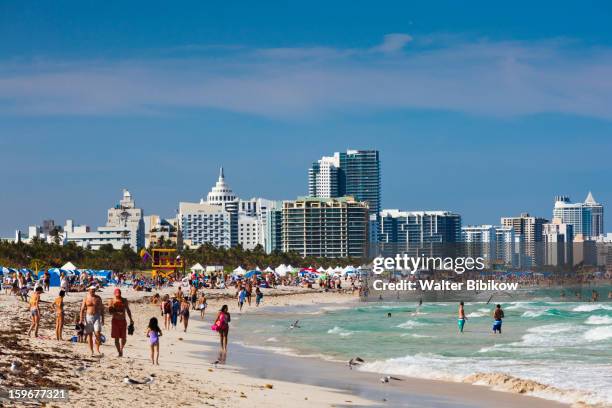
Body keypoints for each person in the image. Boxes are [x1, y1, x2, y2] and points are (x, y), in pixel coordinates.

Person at [108, 288, 133, 357]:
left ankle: (121, 348)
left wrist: (131, 319)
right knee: (116, 338)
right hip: (115, 321)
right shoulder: (112, 300)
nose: (118, 296)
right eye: (117, 295)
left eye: (119, 295)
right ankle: (119, 351)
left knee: (124, 338)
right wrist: (112, 308)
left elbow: (128, 310)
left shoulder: (124, 300)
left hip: (123, 320)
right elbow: (110, 312)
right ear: (114, 294)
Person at [80, 285, 104, 356]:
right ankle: (91, 351)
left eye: (94, 290)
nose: (93, 291)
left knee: (97, 334)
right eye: (92, 290)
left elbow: (102, 309)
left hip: (97, 316)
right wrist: (81, 319)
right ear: (89, 290)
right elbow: (82, 309)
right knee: (89, 334)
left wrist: (103, 319)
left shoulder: (98, 298)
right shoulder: (86, 298)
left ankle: (97, 349)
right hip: (88, 317)